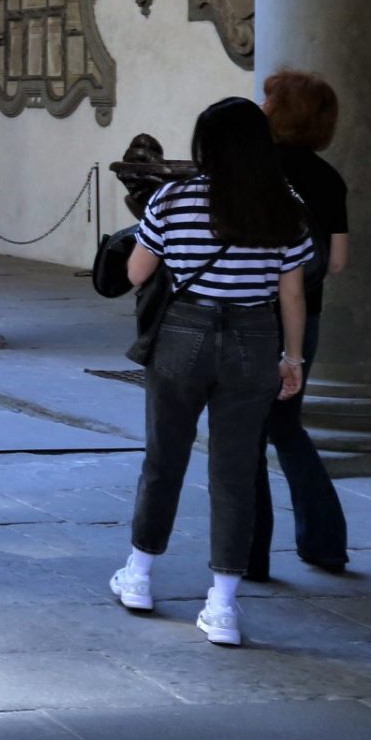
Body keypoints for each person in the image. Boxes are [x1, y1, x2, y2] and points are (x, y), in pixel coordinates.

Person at [113, 97, 312, 647]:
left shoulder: (173, 198)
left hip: (184, 333)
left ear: (206, 145)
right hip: (254, 338)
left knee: (164, 458)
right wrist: (292, 359)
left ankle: (139, 576)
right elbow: (291, 292)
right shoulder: (285, 207)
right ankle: (222, 605)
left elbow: (135, 273)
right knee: (236, 471)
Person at [251, 70, 351, 576]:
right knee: (288, 428)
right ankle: (325, 542)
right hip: (304, 315)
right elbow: (335, 261)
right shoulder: (328, 176)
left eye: (268, 99)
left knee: (244, 430)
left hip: (248, 314)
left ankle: (249, 554)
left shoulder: (252, 168)